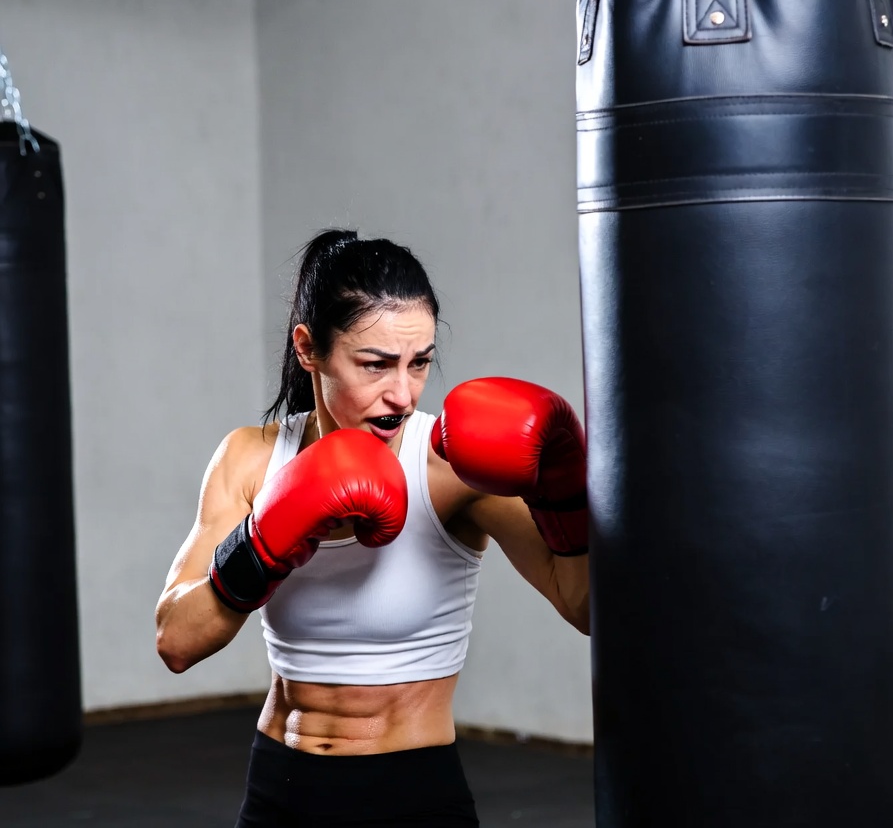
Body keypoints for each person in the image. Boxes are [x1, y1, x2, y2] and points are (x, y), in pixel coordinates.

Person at [155, 228, 590, 828]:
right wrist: (265, 540)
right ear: (308, 348)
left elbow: (585, 605)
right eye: (376, 365)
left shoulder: (450, 468)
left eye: (420, 364)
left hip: (411, 793)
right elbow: (176, 642)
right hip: (281, 787)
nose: (403, 394)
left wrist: (566, 494)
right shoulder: (252, 459)